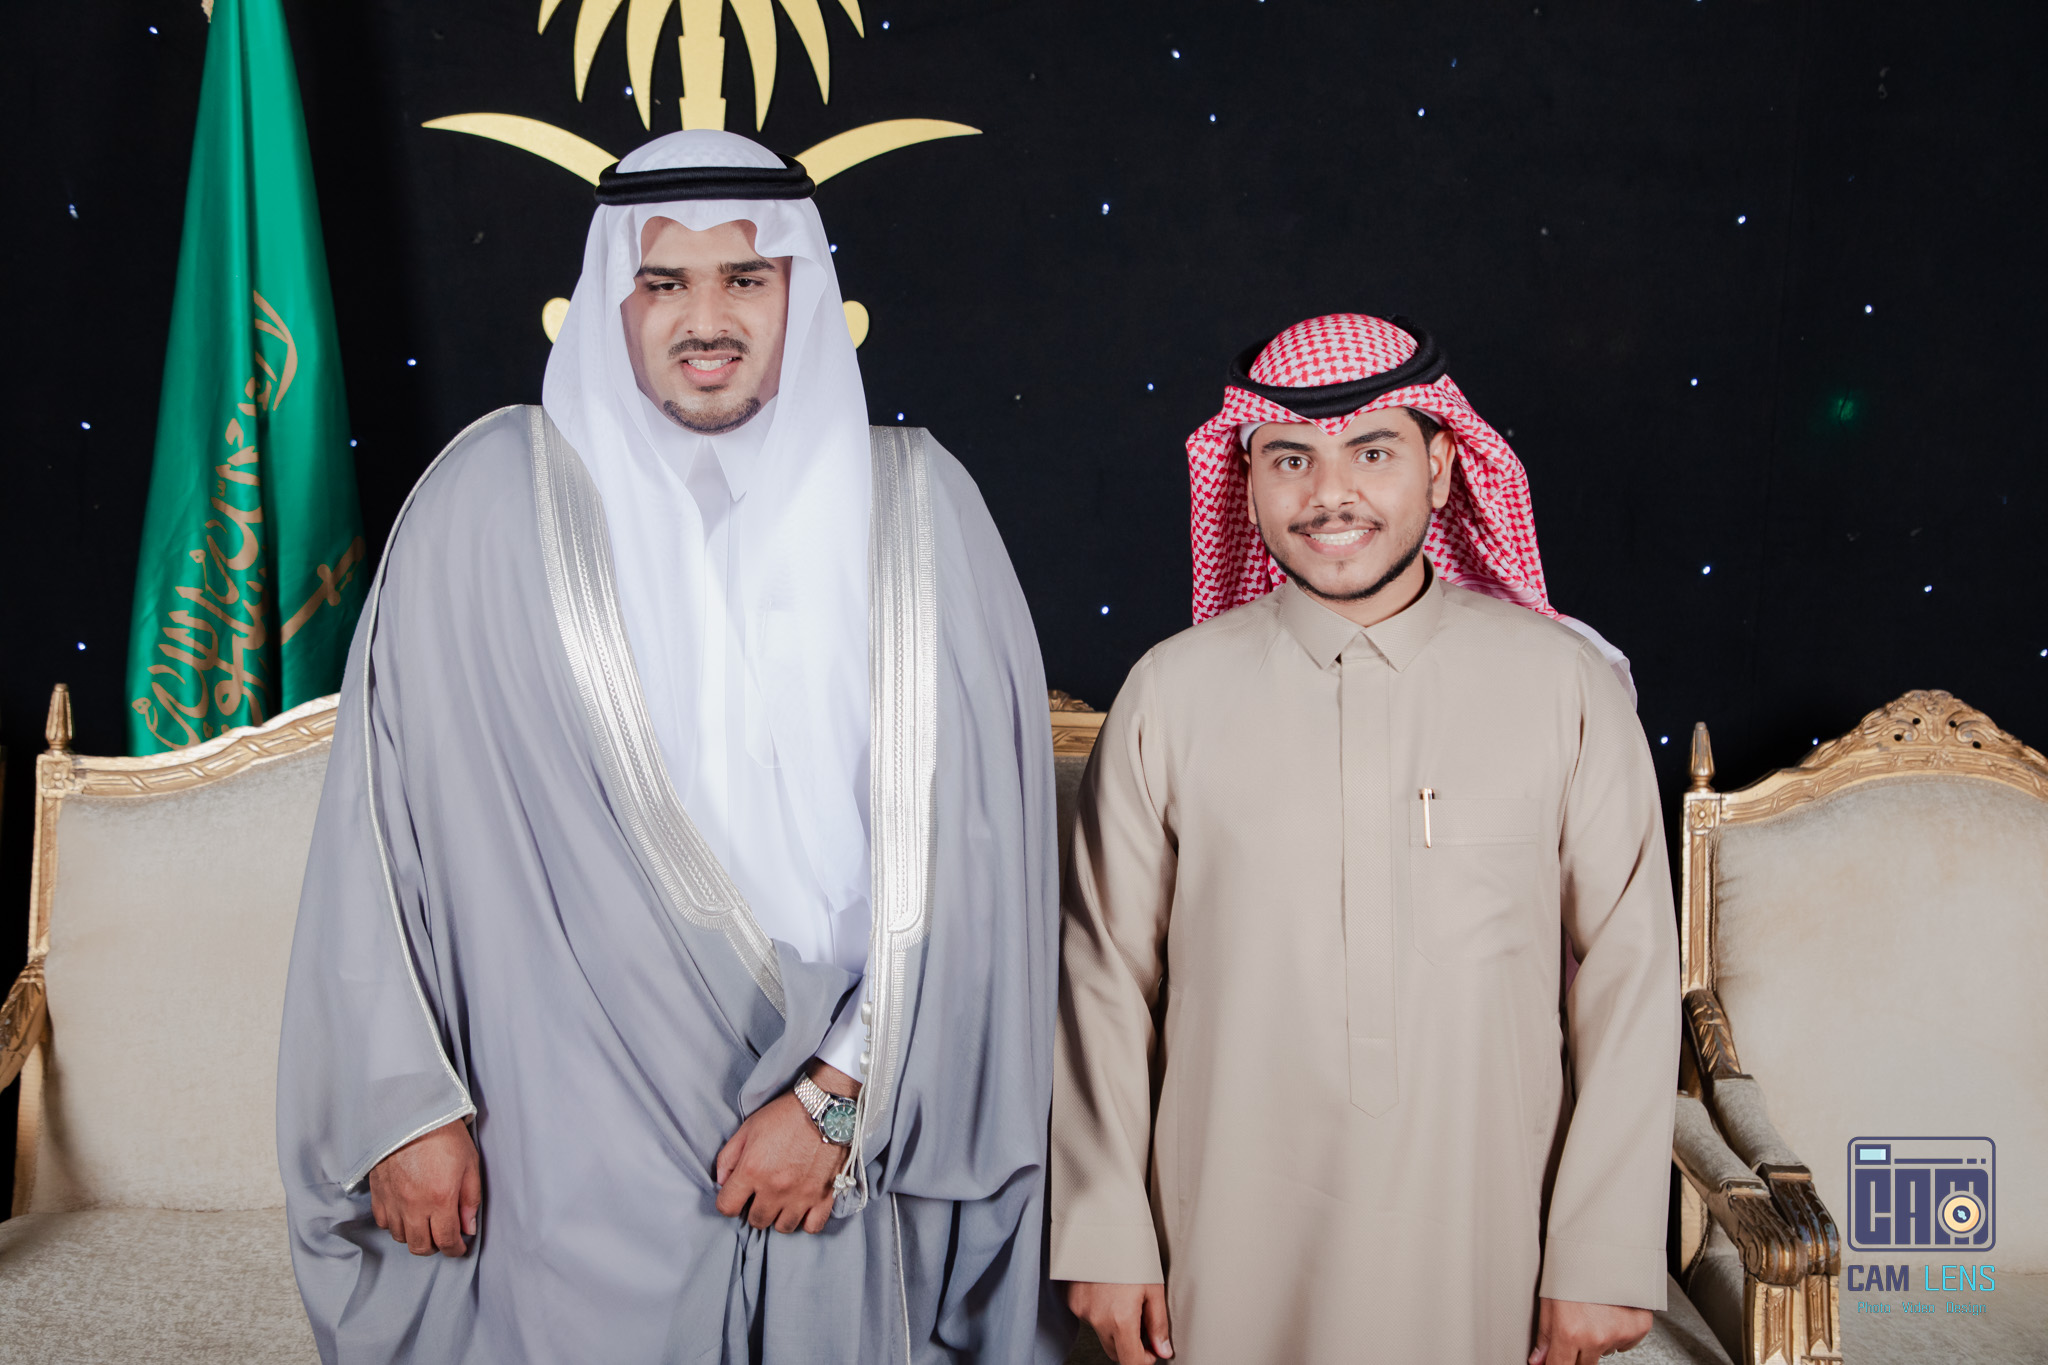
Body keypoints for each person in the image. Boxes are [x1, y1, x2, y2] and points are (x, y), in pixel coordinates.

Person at [277, 130, 1064, 1364]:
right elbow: (380, 830)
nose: (707, 320)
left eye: (745, 278)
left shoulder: (921, 509)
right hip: (563, 1134)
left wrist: (841, 1097)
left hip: (838, 1139)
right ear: (611, 299)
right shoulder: (482, 505)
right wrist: (401, 1105)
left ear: (802, 291)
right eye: (664, 283)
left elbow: (983, 856)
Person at [1051, 314, 1678, 1365]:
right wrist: (1105, 1228)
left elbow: (1631, 973)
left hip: (1486, 1238)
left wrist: (1603, 1250)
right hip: (1224, 1237)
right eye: (1290, 459)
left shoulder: (1562, 686)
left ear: (1442, 467)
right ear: (1247, 481)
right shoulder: (1170, 693)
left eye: (1372, 453)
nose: (1329, 493)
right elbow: (1103, 982)